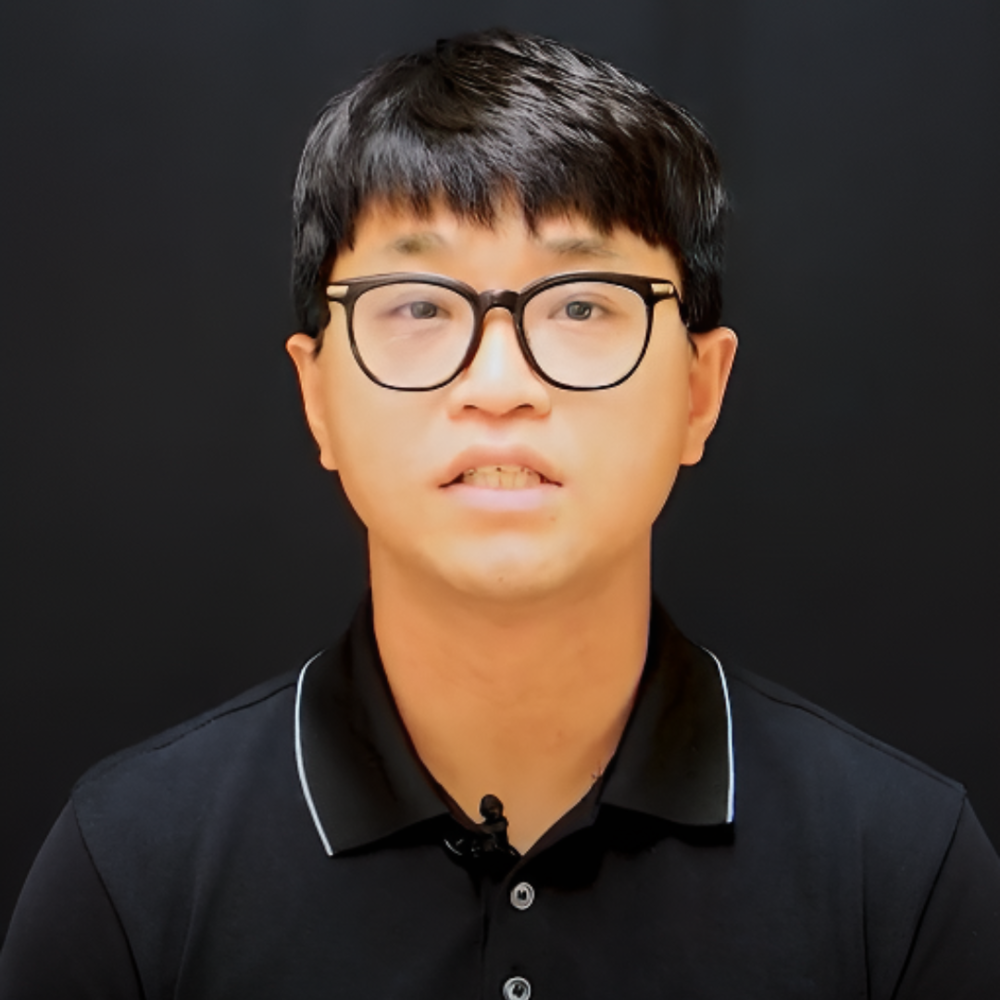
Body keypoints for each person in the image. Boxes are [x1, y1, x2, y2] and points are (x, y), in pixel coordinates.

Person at [1, 28, 998, 1000]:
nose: (499, 384)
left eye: (580, 303)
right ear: (317, 398)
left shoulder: (901, 874)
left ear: (701, 390)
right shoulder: (128, 871)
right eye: (419, 305)